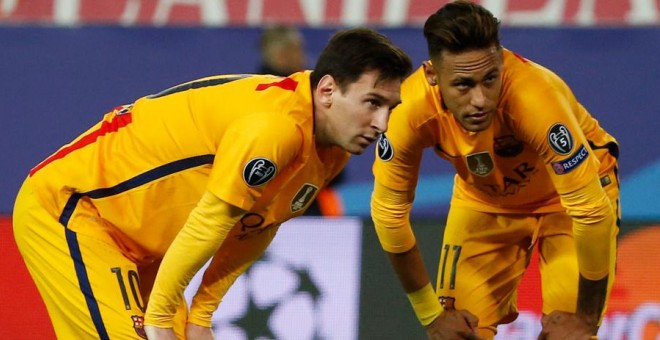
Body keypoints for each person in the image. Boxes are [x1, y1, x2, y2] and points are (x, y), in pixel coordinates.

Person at [13, 27, 412, 340]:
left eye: (390, 108)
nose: (382, 125)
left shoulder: (331, 146)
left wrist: (202, 316)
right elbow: (211, 220)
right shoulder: (274, 129)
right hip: (75, 208)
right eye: (372, 103)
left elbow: (257, 227)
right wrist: (159, 318)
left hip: (142, 246)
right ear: (327, 90)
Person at [370, 1, 619, 339]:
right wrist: (430, 316)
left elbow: (591, 212)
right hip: (485, 198)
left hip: (570, 199)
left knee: (569, 334)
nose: (480, 100)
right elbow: (389, 215)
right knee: (457, 331)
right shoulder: (407, 113)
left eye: (490, 79)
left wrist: (586, 319)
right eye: (463, 85)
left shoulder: (534, 98)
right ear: (432, 76)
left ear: (501, 62)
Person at [257, 23, 346, 217]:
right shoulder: (305, 95)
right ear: (284, 53)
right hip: (300, 202)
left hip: (265, 203)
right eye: (298, 49)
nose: (302, 56)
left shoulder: (252, 91)